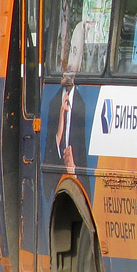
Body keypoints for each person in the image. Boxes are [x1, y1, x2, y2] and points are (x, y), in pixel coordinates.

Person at [44, 22, 88, 174]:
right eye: (64, 53)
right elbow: (46, 157)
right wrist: (59, 128)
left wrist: (74, 170)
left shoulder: (83, 106)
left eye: (74, 52)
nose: (68, 63)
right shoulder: (52, 102)